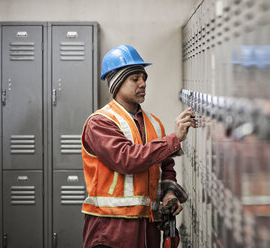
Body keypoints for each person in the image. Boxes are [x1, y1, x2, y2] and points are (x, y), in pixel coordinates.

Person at [81, 45, 196, 248]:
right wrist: (174, 139)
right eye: (135, 79)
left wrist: (169, 193)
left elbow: (166, 166)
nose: (143, 83)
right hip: (110, 229)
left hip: (147, 229)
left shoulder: (154, 123)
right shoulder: (100, 122)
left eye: (144, 78)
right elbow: (126, 160)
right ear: (116, 83)